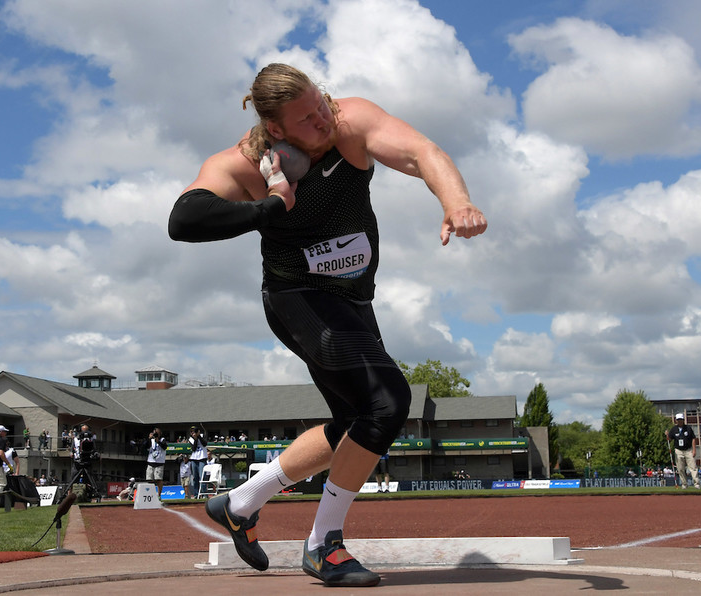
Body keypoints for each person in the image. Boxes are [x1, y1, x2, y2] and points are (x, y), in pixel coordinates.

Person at [169, 63, 487, 587]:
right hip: (298, 298)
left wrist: (457, 202)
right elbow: (183, 219)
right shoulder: (249, 164)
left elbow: (422, 151)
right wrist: (270, 206)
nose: (324, 119)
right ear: (276, 130)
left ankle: (239, 502)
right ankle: (324, 545)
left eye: (322, 103)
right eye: (309, 118)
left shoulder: (349, 120)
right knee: (387, 402)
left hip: (354, 301)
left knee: (353, 423)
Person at [666, 413, 701, 489]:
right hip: (678, 450)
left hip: (688, 450)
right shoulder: (674, 429)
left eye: (681, 420)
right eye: (678, 420)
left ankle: (696, 484)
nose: (679, 421)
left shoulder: (688, 428)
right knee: (680, 468)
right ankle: (684, 484)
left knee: (693, 467)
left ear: (683, 420)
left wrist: (694, 450)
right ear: (676, 420)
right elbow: (669, 439)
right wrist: (667, 435)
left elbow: (693, 439)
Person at [145, 428, 168, 495]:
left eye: (157, 433)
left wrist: (158, 441)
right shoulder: (151, 440)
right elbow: (144, 446)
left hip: (159, 462)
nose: (155, 434)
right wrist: (149, 438)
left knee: (158, 479)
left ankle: (159, 494)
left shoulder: (162, 439)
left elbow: (165, 447)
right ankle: (150, 493)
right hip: (150, 461)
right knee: (149, 479)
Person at [187, 426, 208, 496]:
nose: (193, 433)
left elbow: (205, 444)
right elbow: (193, 448)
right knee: (195, 478)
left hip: (202, 458)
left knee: (202, 476)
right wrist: (195, 439)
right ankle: (196, 494)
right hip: (194, 459)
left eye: (194, 431)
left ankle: (204, 493)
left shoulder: (202, 436)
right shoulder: (190, 439)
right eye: (192, 432)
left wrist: (198, 437)